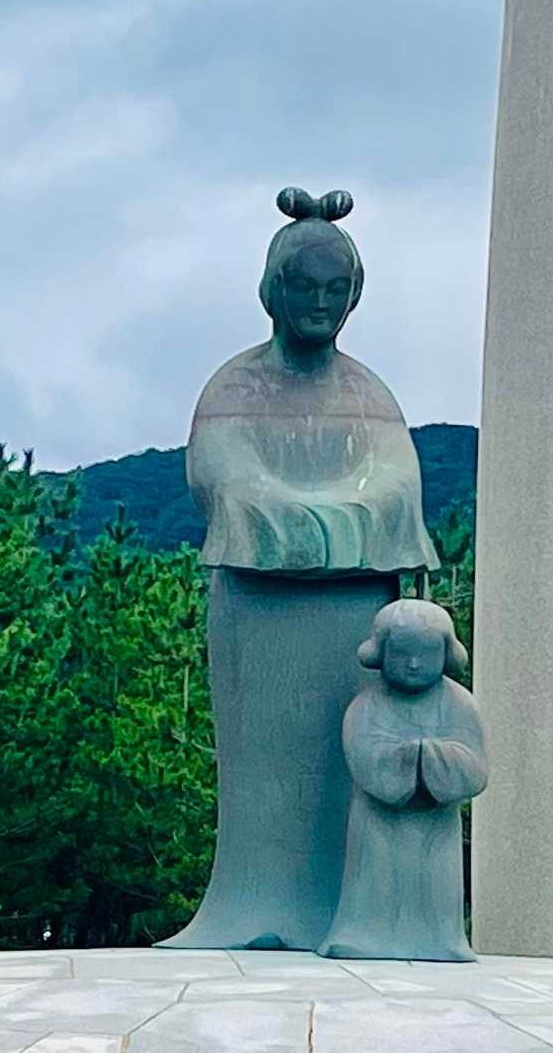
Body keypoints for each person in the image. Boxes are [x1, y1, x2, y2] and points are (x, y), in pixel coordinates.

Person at [159, 189, 440, 951]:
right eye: (304, 287)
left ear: (354, 295)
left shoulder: (366, 392)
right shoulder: (234, 387)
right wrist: (317, 518)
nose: (319, 303)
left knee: (347, 761)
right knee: (265, 777)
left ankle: (355, 912)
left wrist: (317, 521)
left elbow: (397, 484)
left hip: (355, 610)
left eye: (334, 289)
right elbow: (224, 476)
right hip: (259, 608)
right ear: (273, 289)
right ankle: (254, 904)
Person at [318, 599, 488, 962]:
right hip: (377, 822)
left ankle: (441, 940)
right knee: (375, 877)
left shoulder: (460, 704)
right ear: (382, 654)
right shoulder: (366, 706)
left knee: (435, 882)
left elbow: (475, 766)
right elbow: (364, 759)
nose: (413, 664)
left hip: (436, 825)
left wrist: (429, 755)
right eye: (402, 654)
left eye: (426, 654)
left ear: (445, 654)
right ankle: (362, 935)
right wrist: (407, 757)